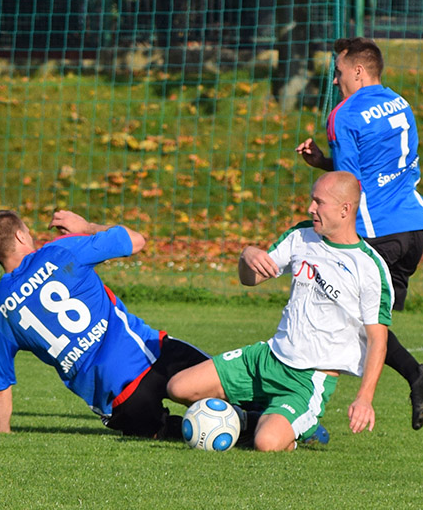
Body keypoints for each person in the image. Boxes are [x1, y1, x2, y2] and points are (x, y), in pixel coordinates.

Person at [167, 171, 391, 451]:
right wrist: (246, 254)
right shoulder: (301, 236)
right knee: (178, 388)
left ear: (345, 209)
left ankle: (298, 424)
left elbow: (378, 340)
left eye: (319, 202)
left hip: (306, 379)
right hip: (266, 358)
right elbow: (251, 278)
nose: (311, 208)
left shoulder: (369, 267)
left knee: (267, 443)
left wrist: (364, 398)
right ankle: (249, 418)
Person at [296, 37, 423, 430]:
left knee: (328, 315)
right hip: (413, 230)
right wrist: (323, 161)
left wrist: (323, 171)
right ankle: (417, 378)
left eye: (338, 72)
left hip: (377, 231)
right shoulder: (400, 102)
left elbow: (347, 184)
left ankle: (302, 414)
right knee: (363, 324)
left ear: (358, 71)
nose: (334, 81)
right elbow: (377, 167)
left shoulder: (343, 115)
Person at [0, 209, 210, 439]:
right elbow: (135, 241)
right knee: (228, 385)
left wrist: (3, 434)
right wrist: (85, 227)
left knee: (179, 435)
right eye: (27, 232)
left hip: (120, 400)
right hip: (151, 357)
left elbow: (0, 384)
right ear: (20, 236)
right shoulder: (61, 250)